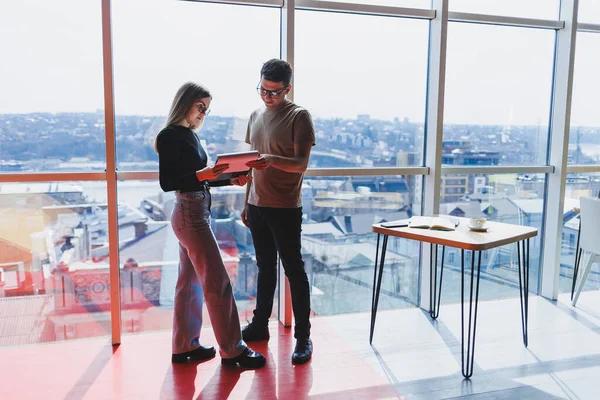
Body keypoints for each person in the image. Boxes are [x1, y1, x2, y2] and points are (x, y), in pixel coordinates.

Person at [155, 82, 266, 368]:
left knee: (189, 284)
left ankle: (184, 346)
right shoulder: (170, 135)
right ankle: (233, 351)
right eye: (200, 107)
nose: (203, 113)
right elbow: (168, 182)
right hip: (190, 213)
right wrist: (202, 174)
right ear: (185, 103)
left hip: (196, 211)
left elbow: (202, 176)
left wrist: (231, 179)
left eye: (207, 109)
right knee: (217, 283)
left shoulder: (190, 136)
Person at [242, 59, 316, 364]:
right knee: (264, 267)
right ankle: (260, 324)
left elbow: (301, 164)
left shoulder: (300, 117)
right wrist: (247, 200)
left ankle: (303, 337)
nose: (267, 97)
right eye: (263, 90)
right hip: (258, 204)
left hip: (285, 206)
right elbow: (250, 162)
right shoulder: (255, 114)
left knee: (294, 271)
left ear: (288, 89)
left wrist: (272, 159)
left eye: (274, 92)